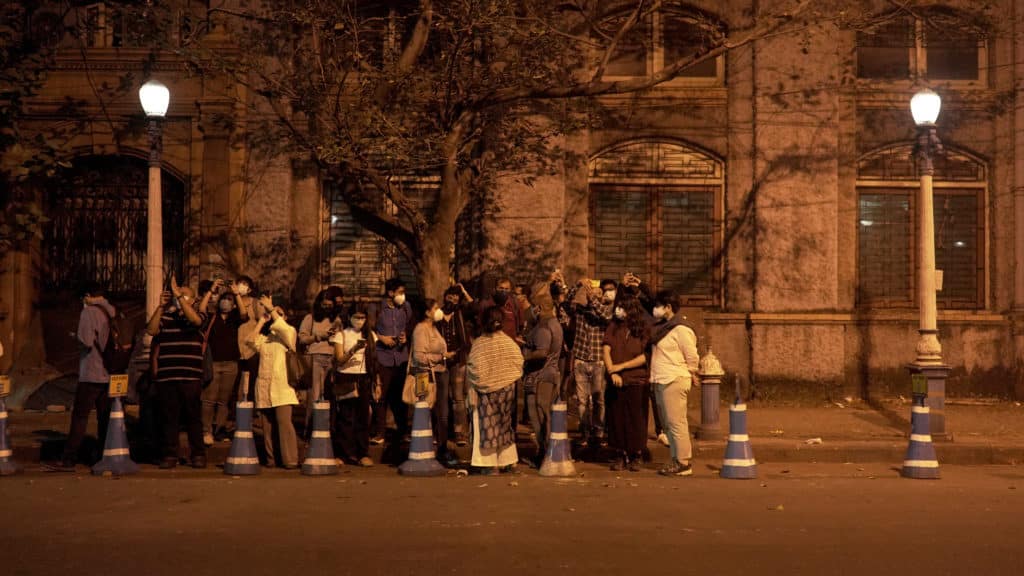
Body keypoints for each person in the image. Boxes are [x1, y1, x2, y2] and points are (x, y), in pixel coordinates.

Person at [147, 276, 208, 469]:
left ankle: (198, 454)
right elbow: (151, 330)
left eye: (184, 295)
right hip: (167, 376)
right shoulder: (166, 316)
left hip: (190, 376)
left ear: (193, 300)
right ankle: (170, 454)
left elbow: (195, 320)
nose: (178, 297)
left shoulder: (199, 315)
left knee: (193, 418)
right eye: (176, 295)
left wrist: (180, 297)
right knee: (169, 419)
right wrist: (160, 307)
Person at [59, 282, 115, 469]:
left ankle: (69, 457)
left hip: (92, 372)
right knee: (105, 417)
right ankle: (102, 456)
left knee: (80, 416)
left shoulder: (89, 312)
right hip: (111, 371)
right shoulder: (113, 310)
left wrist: (75, 336)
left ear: (88, 295)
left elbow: (87, 341)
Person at [466, 306, 524, 475]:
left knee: (487, 425)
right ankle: (509, 461)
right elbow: (519, 361)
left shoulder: (480, 343)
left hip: (486, 390)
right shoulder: (509, 342)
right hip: (507, 389)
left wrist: (486, 380)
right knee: (505, 425)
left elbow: (474, 368)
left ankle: (490, 464)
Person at [648, 290, 700, 477]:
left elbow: (692, 356)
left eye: (658, 305)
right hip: (661, 379)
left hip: (674, 379)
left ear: (668, 307)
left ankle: (683, 462)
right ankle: (675, 458)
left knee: (677, 423)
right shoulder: (662, 327)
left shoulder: (681, 329)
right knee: (668, 424)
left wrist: (692, 372)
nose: (655, 309)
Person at [250, 294, 300, 469]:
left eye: (279, 314)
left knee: (284, 424)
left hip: (282, 388)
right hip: (264, 387)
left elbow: (283, 329)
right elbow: (250, 342)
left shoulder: (289, 334)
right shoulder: (266, 339)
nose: (274, 316)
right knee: (267, 426)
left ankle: (290, 459)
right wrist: (261, 321)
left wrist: (272, 309)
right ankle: (271, 459)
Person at [603, 295, 651, 471]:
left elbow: (645, 356)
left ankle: (636, 453)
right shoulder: (613, 326)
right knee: (616, 418)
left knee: (636, 419)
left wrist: (621, 366)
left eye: (622, 307)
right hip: (615, 379)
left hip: (636, 380)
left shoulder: (643, 328)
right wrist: (612, 371)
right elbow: (606, 349)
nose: (618, 310)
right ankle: (619, 453)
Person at [411, 298, 457, 467]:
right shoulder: (421, 329)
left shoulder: (434, 328)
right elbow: (419, 357)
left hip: (440, 373)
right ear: (427, 312)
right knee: (427, 412)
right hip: (426, 375)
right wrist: (442, 356)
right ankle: (427, 449)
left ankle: (442, 449)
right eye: (435, 308)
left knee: (442, 414)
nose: (439, 311)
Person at [201, 284, 248, 446]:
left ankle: (219, 429)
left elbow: (244, 314)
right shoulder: (212, 318)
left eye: (229, 300)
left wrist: (237, 295)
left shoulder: (235, 319)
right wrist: (211, 291)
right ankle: (206, 430)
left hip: (231, 364)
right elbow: (201, 309)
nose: (226, 302)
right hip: (213, 363)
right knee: (209, 399)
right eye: (224, 299)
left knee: (224, 400)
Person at [330, 303, 375, 467]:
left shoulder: (370, 335)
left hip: (364, 377)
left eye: (363, 317)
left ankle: (362, 453)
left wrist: (376, 382)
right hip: (346, 377)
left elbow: (374, 360)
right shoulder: (341, 335)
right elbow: (339, 359)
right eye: (357, 317)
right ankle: (343, 453)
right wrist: (354, 349)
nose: (360, 321)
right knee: (345, 417)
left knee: (363, 417)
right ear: (349, 317)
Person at [571, 277, 615, 447]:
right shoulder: (580, 310)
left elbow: (606, 316)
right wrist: (578, 284)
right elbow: (567, 301)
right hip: (581, 359)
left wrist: (593, 301)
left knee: (599, 400)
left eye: (597, 293)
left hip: (598, 361)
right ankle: (584, 432)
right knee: (582, 401)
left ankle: (598, 432)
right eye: (591, 292)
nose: (593, 295)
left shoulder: (606, 310)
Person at [522, 290, 563, 468]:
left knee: (539, 417)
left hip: (540, 377)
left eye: (532, 307)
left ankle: (544, 454)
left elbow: (542, 352)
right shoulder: (555, 323)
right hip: (550, 375)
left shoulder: (544, 327)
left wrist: (524, 356)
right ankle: (546, 454)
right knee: (546, 416)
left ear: (538, 308)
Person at [372, 278, 413, 446]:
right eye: (400, 292)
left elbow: (410, 325)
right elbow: (370, 329)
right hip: (384, 357)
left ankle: (403, 431)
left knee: (400, 397)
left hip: (401, 357)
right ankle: (379, 432)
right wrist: (382, 338)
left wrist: (405, 336)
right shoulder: (378, 308)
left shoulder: (406, 307)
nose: (402, 296)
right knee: (382, 396)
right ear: (390, 293)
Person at [436, 283, 473, 446]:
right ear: (445, 297)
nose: (452, 300)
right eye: (450, 297)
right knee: (442, 397)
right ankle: (441, 432)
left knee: (458, 398)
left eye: (456, 298)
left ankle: (460, 433)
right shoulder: (438, 314)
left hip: (458, 360)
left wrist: (464, 291)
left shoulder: (461, 313)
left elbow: (474, 307)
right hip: (441, 360)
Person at [299, 289, 336, 433]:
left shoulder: (337, 319)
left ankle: (326, 429)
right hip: (315, 358)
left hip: (332, 359)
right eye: (324, 305)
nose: (327, 308)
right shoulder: (310, 318)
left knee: (329, 396)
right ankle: (310, 430)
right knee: (314, 396)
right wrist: (318, 337)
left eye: (330, 305)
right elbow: (302, 338)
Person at [234, 275, 260, 398]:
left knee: (252, 382)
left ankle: (251, 405)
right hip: (235, 349)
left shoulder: (255, 303)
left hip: (252, 349)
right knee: (234, 382)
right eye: (239, 283)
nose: (241, 286)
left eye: (244, 284)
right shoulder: (231, 303)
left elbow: (264, 320)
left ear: (249, 289)